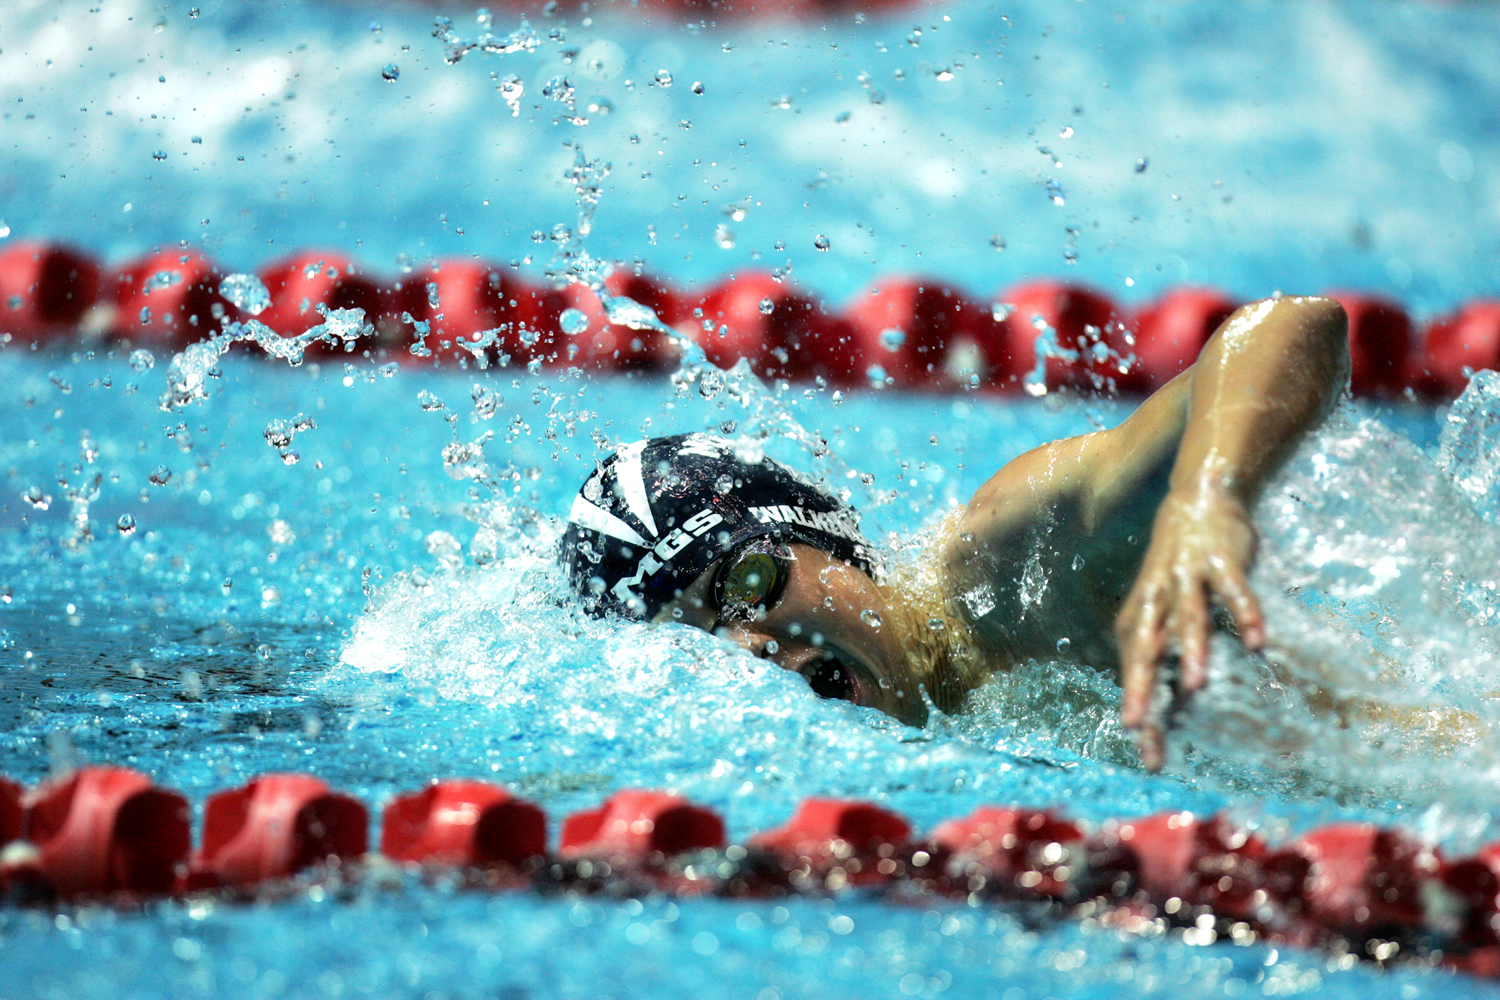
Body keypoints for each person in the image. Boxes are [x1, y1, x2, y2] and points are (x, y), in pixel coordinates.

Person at [560, 295, 1351, 770]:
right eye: (692, 641)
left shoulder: (1015, 565)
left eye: (745, 585)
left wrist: (1209, 497)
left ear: (824, 538)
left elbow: (1294, 326)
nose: (748, 648)